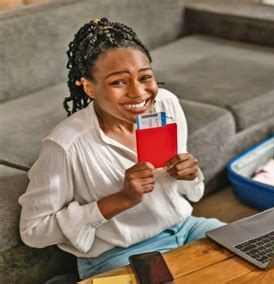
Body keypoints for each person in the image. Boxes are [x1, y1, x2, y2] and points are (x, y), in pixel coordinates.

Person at [18, 18, 224, 280]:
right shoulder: (65, 145)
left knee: (257, 250)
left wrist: (190, 173)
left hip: (185, 228)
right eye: (118, 82)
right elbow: (33, 231)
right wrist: (121, 199)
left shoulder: (166, 104)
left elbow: (187, 193)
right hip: (120, 253)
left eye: (145, 77)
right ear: (90, 87)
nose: (139, 93)